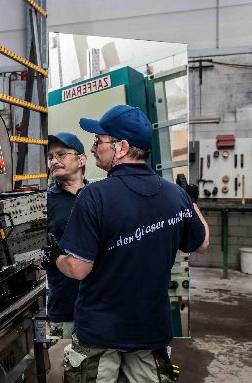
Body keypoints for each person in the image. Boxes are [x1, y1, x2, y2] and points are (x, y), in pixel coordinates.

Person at [43, 105, 210, 382]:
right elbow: (201, 243)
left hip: (100, 334)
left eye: (98, 141)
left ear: (121, 147)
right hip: (150, 331)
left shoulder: (94, 196)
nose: (93, 148)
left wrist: (55, 258)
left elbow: (78, 269)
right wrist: (190, 202)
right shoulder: (175, 195)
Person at [45, 132, 88, 340]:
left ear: (81, 160)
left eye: (61, 154)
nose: (54, 161)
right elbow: (35, 253)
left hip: (101, 306)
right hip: (64, 308)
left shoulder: (97, 196)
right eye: (50, 157)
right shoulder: (44, 202)